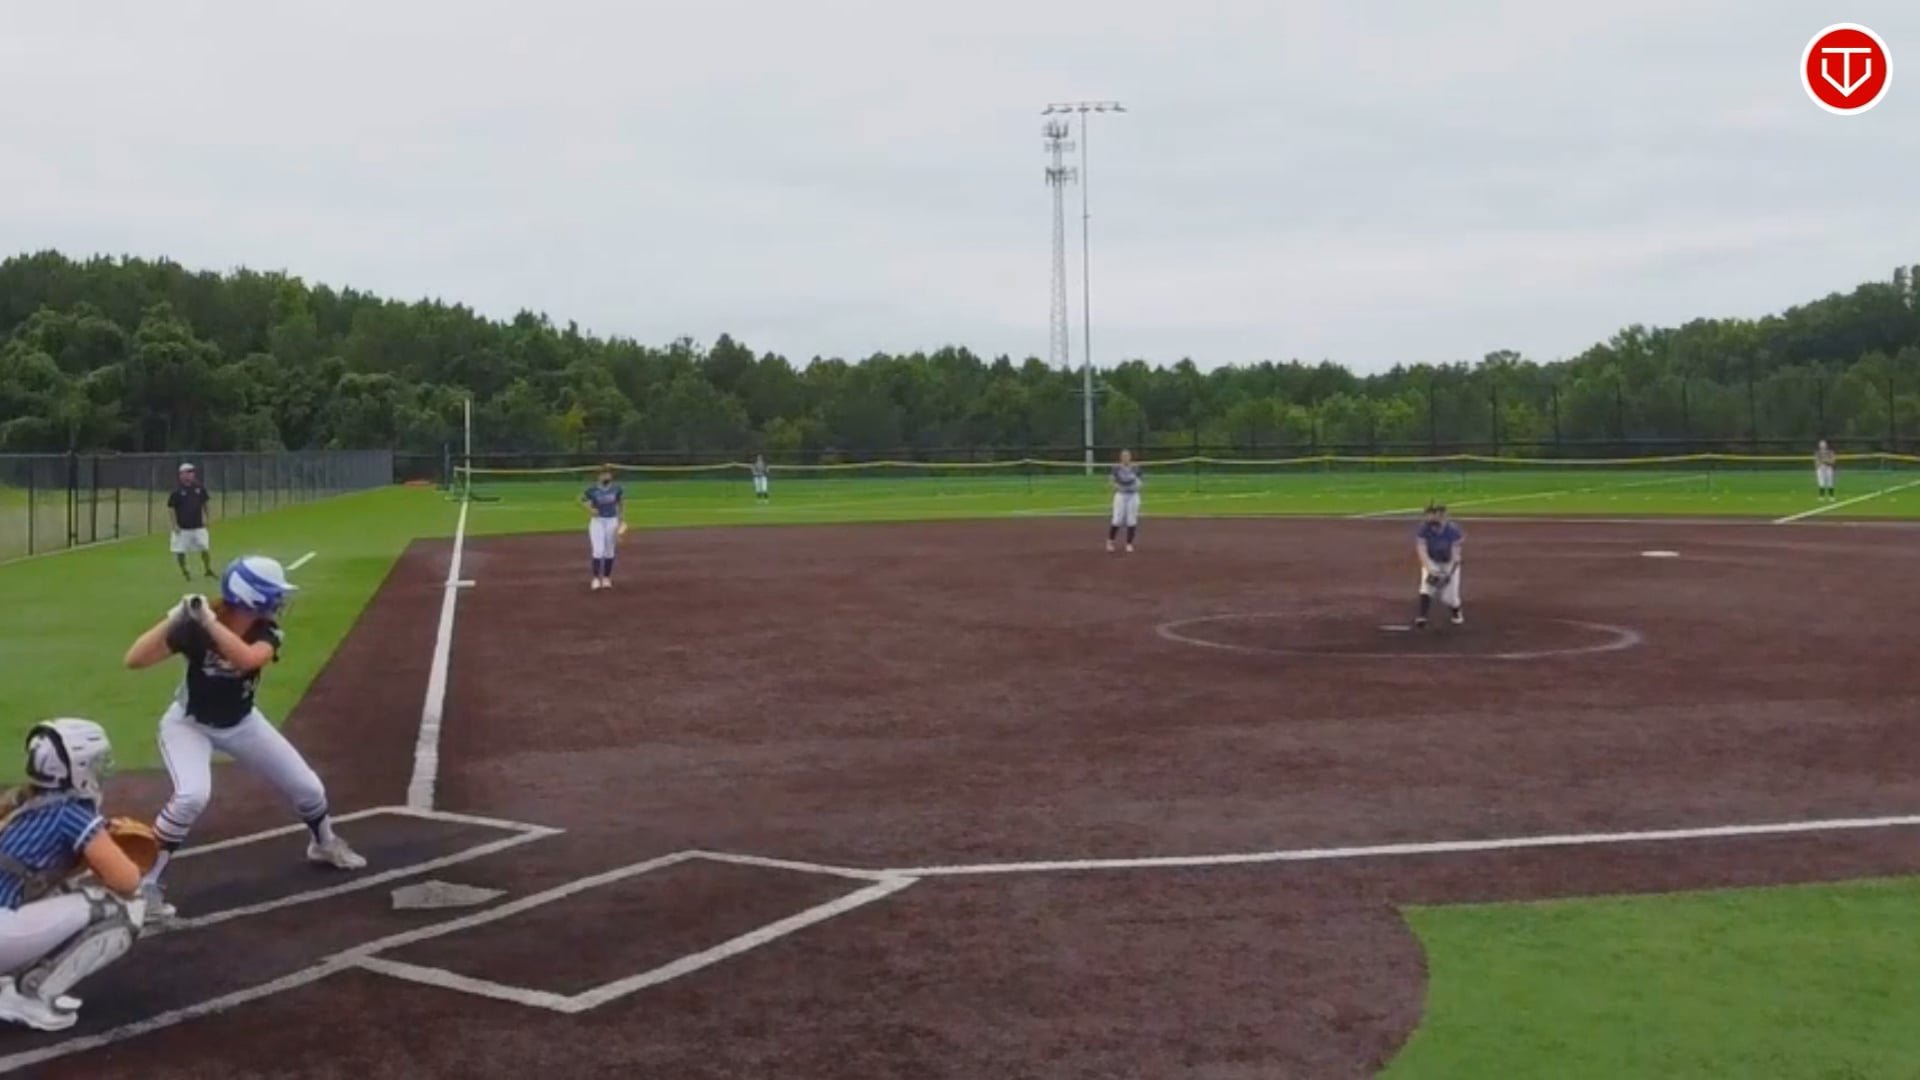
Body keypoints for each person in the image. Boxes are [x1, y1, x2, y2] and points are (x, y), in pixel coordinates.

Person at [123, 557, 365, 923]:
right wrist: (174, 619)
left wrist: (206, 622)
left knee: (309, 788)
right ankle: (146, 885)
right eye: (272, 595)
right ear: (250, 596)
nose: (278, 602)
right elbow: (135, 659)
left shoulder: (267, 631)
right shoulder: (194, 629)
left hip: (242, 722)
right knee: (191, 795)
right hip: (189, 725)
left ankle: (324, 843)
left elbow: (247, 660)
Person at [0, 719, 146, 1032]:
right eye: (94, 762)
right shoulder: (72, 814)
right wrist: (113, 849)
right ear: (77, 769)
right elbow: (127, 881)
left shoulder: (21, 799)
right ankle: (30, 997)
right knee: (123, 909)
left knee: (65, 887)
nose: (100, 769)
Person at [1414, 503, 1464, 628]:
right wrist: (1429, 569)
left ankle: (1456, 610)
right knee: (1426, 587)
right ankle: (1422, 616)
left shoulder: (1453, 531)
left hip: (1449, 563)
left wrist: (1448, 575)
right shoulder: (1423, 529)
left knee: (1449, 598)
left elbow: (1456, 555)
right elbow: (1422, 551)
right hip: (1433, 561)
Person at [167, 463, 216, 581]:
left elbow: (205, 503)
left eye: (191, 472)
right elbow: (171, 508)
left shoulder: (199, 489)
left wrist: (207, 518)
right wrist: (174, 525)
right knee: (180, 550)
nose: (190, 474)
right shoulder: (176, 492)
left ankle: (208, 569)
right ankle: (185, 572)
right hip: (183, 527)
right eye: (187, 472)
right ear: (181, 475)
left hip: (198, 526)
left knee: (204, 547)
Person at [582, 467, 626, 591]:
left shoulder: (617, 489)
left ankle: (606, 578)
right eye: (604, 474)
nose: (606, 476)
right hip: (597, 521)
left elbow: (621, 503)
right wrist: (590, 509)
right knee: (598, 550)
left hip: (612, 521)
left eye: (608, 474)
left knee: (609, 551)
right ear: (599, 476)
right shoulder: (592, 490)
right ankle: (596, 579)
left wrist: (621, 520)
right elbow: (580, 500)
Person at [1107, 450, 1142, 553]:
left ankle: (1129, 543)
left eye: (1127, 456)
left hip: (1133, 495)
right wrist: (1116, 486)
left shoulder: (1136, 468)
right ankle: (1110, 541)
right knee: (1117, 519)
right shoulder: (1116, 468)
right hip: (1121, 495)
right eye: (1124, 456)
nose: (1126, 458)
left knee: (1132, 520)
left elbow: (1140, 480)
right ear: (1121, 458)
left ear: (1130, 457)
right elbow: (1111, 480)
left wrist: (1138, 486)